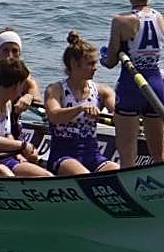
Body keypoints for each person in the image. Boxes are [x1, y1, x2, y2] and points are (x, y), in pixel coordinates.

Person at [102, 0, 164, 168]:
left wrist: (105, 54)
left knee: (127, 155)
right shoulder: (160, 18)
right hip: (155, 85)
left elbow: (111, 61)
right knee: (160, 153)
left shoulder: (120, 21)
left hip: (131, 85)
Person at [44, 32, 118, 175]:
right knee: (84, 177)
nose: (95, 67)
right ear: (74, 64)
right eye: (90, 63)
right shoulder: (55, 89)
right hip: (63, 155)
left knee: (117, 172)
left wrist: (117, 116)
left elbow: (117, 112)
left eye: (95, 63)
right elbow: (54, 116)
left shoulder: (103, 91)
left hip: (93, 155)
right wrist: (81, 108)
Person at [0, 28, 42, 117]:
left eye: (14, 51)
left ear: (20, 53)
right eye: (5, 50)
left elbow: (37, 99)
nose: (10, 56)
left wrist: (28, 97)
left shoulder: (26, 78)